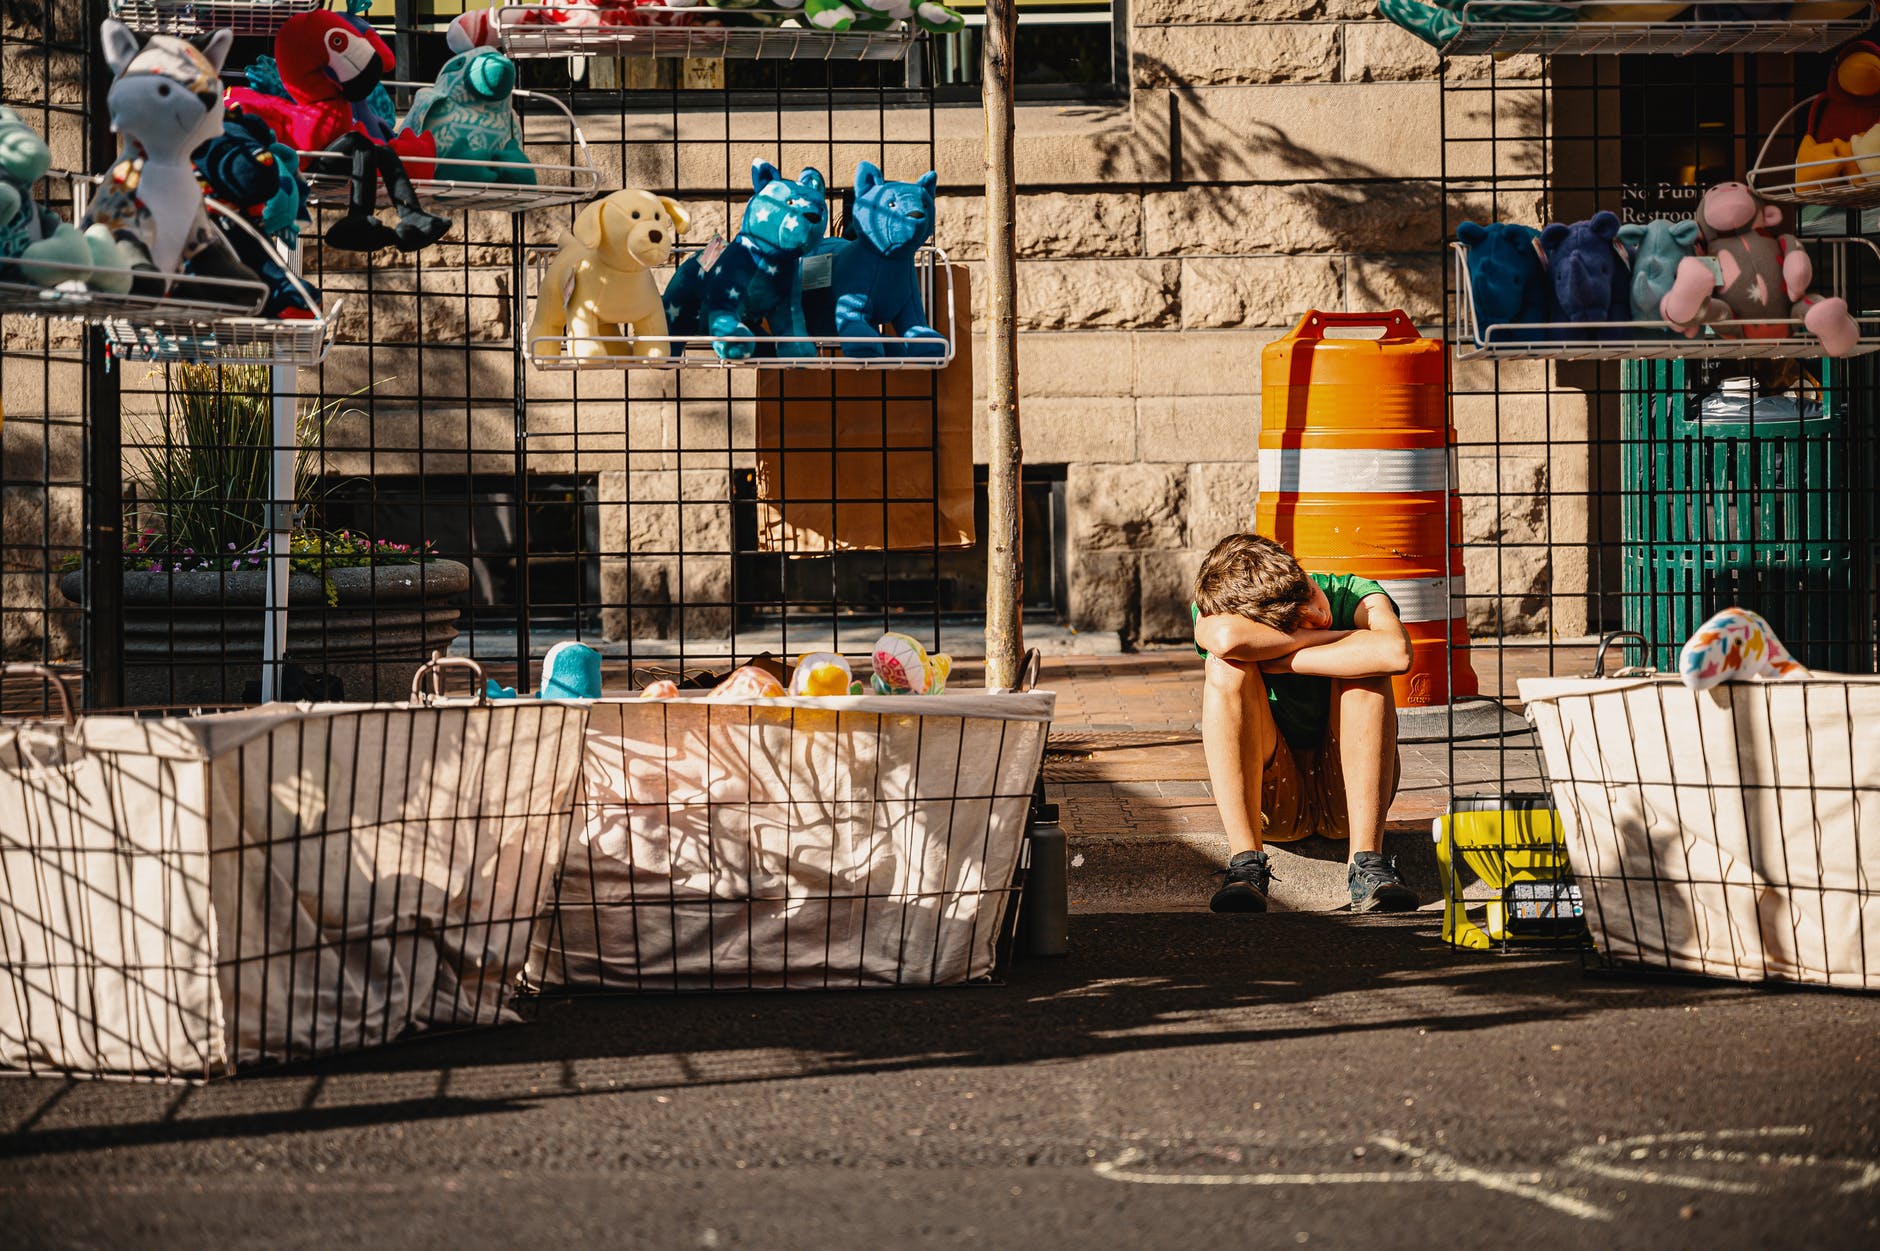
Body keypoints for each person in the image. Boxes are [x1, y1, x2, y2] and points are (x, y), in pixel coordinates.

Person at [1190, 532, 1418, 914]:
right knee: (1224, 669)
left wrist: (1284, 654)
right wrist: (1344, 642)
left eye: (1307, 592)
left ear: (1300, 569)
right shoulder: (1224, 607)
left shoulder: (1354, 591)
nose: (1317, 614)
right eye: (1293, 623)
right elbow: (1226, 639)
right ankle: (1246, 865)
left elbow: (1395, 652)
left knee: (1369, 670)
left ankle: (1368, 866)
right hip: (1274, 805)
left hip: (1348, 797)